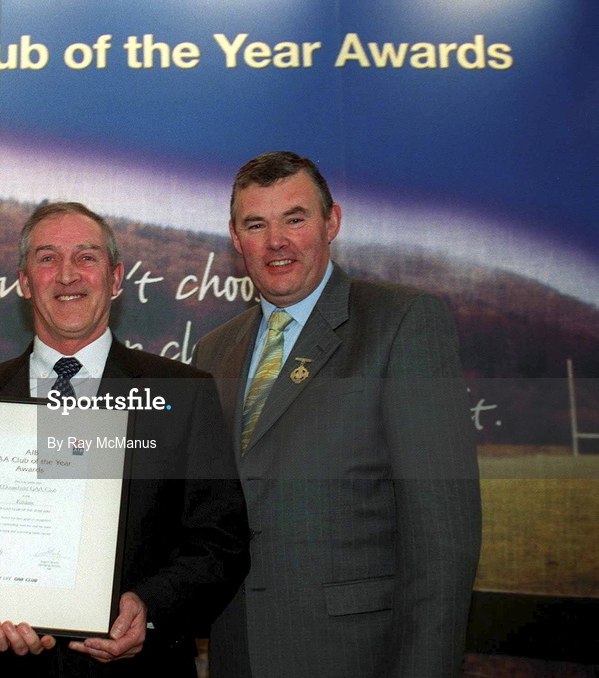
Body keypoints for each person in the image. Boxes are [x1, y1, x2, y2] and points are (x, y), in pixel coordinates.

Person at [193, 152, 482, 677]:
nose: (276, 241)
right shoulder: (214, 351)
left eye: (295, 218)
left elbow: (444, 538)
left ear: (332, 223)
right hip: (239, 652)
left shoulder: (401, 324)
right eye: (256, 224)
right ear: (236, 239)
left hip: (357, 655)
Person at [0, 201, 250, 676]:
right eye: (46, 258)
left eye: (86, 257)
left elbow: (220, 541)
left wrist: (149, 606)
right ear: (23, 281)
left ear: (116, 278)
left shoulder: (180, 395)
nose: (66, 275)